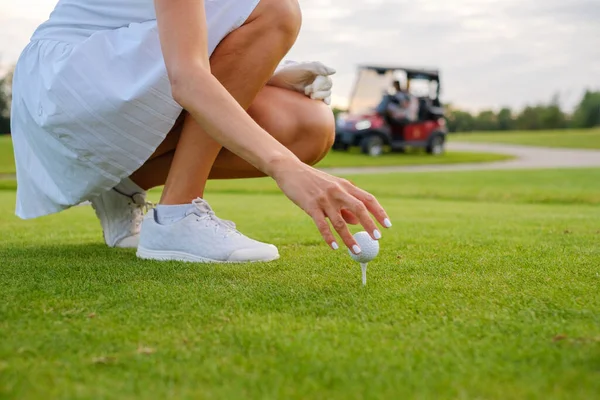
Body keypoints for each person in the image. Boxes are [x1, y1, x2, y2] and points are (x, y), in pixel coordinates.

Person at [11, 0, 392, 263]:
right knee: (278, 11)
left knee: (308, 126)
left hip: (97, 83)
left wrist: (268, 73)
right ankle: (178, 216)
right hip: (68, 85)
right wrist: (286, 168)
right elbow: (188, 79)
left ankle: (122, 188)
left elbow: (185, 36)